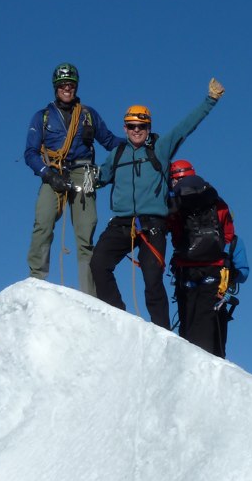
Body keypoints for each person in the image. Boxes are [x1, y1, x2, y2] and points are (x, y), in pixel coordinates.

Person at [89, 78, 226, 328]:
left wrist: (211, 100)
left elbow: (186, 126)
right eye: (131, 126)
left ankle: (161, 333)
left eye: (141, 125)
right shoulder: (117, 154)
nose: (136, 130)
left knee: (152, 279)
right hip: (121, 223)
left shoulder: (160, 149)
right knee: (99, 264)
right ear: (125, 127)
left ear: (149, 126)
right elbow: (99, 178)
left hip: (152, 225)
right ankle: (118, 317)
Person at [24, 63, 124, 296]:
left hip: (83, 172)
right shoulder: (43, 117)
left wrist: (136, 142)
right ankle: (36, 279)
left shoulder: (88, 115)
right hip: (53, 172)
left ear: (76, 87)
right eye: (62, 85)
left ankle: (89, 293)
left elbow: (109, 141)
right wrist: (47, 173)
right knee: (43, 221)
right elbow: (30, 153)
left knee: (85, 231)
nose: (67, 89)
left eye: (70, 85)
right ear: (55, 88)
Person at [167, 160, 249, 357]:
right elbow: (240, 266)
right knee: (211, 337)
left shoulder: (173, 205)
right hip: (215, 276)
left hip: (185, 273)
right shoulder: (217, 203)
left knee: (187, 329)